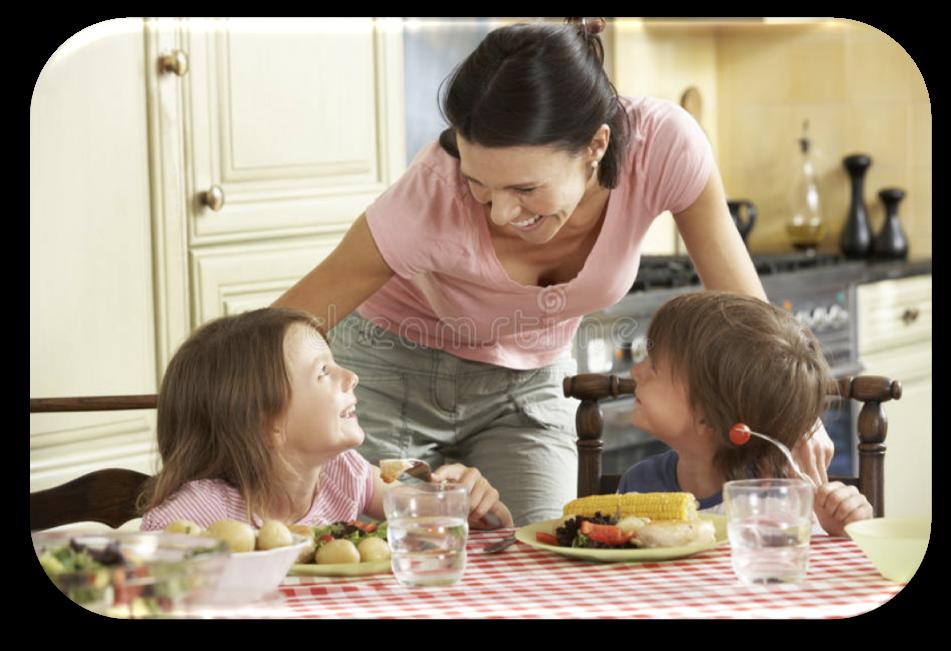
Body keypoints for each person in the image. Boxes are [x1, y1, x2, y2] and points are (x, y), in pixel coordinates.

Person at [273, 18, 833, 526]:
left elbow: (751, 322)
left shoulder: (664, 147)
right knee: (392, 559)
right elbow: (284, 328)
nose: (498, 213)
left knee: (545, 555)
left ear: (596, 145)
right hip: (391, 375)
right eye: (479, 184)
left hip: (528, 385)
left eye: (525, 189)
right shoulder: (430, 197)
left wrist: (796, 416)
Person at [137, 308, 513, 531]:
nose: (351, 377)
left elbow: (441, 517)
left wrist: (470, 503)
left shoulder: (343, 472)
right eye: (323, 373)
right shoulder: (201, 512)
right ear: (267, 422)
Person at [619, 291, 872, 537]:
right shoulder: (639, 484)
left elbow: (819, 569)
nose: (634, 372)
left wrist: (842, 527)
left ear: (706, 417)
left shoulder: (783, 496)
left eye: (653, 367)